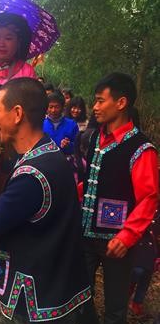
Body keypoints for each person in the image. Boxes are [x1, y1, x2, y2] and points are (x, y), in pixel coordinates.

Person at [0, 77, 91, 323]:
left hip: (36, 304)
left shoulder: (31, 174)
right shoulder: (48, 154)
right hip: (60, 287)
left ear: (18, 113)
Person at [80, 72, 159, 324]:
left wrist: (127, 235)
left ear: (121, 103)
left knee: (115, 308)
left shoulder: (141, 148)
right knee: (79, 298)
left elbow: (149, 198)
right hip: (85, 235)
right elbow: (91, 180)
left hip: (117, 242)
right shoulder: (94, 138)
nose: (95, 107)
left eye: (101, 101)